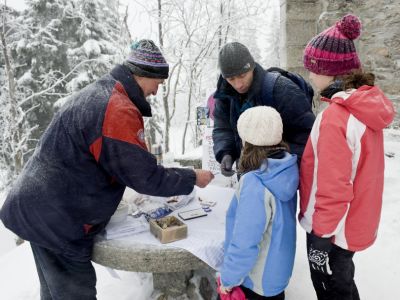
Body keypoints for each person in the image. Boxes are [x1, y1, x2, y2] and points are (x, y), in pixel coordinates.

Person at [0, 39, 214, 299]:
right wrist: (193, 177)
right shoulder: (117, 109)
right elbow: (144, 176)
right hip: (57, 220)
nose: (156, 92)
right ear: (143, 75)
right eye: (157, 84)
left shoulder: (102, 94)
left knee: (54, 293)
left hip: (38, 207)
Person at [298, 14, 395, 300]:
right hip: (352, 223)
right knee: (342, 285)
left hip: (332, 231)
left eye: (313, 69)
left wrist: (320, 237)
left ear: (330, 72)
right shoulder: (364, 110)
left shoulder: (336, 118)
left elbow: (333, 186)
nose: (310, 76)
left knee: (332, 290)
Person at [218, 106, 299, 300]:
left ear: (247, 140)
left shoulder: (256, 181)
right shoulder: (286, 168)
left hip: (256, 281)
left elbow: (245, 241)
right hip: (277, 275)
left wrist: (228, 279)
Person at [212, 42, 315, 176]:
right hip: (248, 174)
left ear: (252, 67)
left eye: (242, 75)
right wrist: (225, 152)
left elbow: (306, 134)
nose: (238, 84)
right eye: (231, 79)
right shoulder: (225, 96)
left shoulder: (281, 89)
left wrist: (278, 163)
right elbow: (222, 128)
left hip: (281, 176)